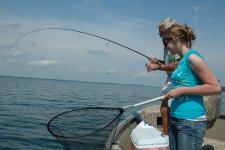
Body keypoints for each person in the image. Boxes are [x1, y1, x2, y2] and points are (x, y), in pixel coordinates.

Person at [161, 23, 221, 150]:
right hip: (176, 117)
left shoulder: (193, 58)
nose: (165, 47)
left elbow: (215, 87)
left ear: (173, 38)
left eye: (165, 42)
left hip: (190, 121)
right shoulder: (181, 61)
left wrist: (182, 90)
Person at [146, 17, 180, 135]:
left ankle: (167, 137)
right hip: (171, 78)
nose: (160, 36)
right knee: (165, 108)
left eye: (162, 33)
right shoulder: (167, 44)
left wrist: (158, 67)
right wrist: (158, 62)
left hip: (178, 79)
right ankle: (168, 135)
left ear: (171, 31)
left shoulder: (176, 43)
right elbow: (169, 63)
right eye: (159, 34)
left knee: (165, 108)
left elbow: (178, 65)